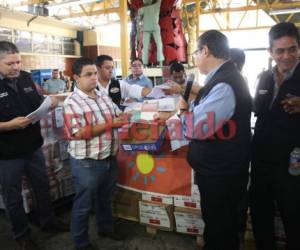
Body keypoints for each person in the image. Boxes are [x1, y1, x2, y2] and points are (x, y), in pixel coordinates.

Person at [157, 30, 252, 249]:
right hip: (219, 169)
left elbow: (195, 130)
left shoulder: (224, 85)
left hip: (221, 173)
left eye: (196, 54)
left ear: (205, 51)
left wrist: (183, 111)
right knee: (217, 224)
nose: (196, 59)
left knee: (221, 229)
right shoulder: (221, 79)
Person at [0, 41, 67, 250]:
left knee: (42, 187)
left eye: (18, 62)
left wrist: (50, 103)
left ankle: (48, 222)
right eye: (10, 63)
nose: (16, 67)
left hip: (33, 146)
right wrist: (8, 125)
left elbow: (38, 103)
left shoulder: (27, 78)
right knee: (13, 196)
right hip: (7, 154)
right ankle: (22, 236)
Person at [64, 57, 130, 250]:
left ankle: (106, 229)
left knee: (105, 199)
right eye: (88, 74)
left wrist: (128, 115)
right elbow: (79, 133)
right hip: (87, 163)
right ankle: (80, 242)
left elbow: (117, 114)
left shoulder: (101, 95)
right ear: (76, 77)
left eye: (95, 73)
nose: (94, 77)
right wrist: (112, 124)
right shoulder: (72, 102)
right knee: (83, 205)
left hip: (109, 157)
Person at [250, 22, 300, 250]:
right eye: (280, 50)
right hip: (260, 160)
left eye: (292, 49)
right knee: (261, 214)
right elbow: (257, 110)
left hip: (292, 163)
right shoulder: (264, 78)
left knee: (294, 216)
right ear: (270, 52)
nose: (287, 56)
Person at [137, 0, 164, 66]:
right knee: (159, 45)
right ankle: (160, 62)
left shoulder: (141, 10)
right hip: (155, 28)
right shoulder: (156, 6)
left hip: (146, 28)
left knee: (145, 47)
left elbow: (139, 20)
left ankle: (145, 63)